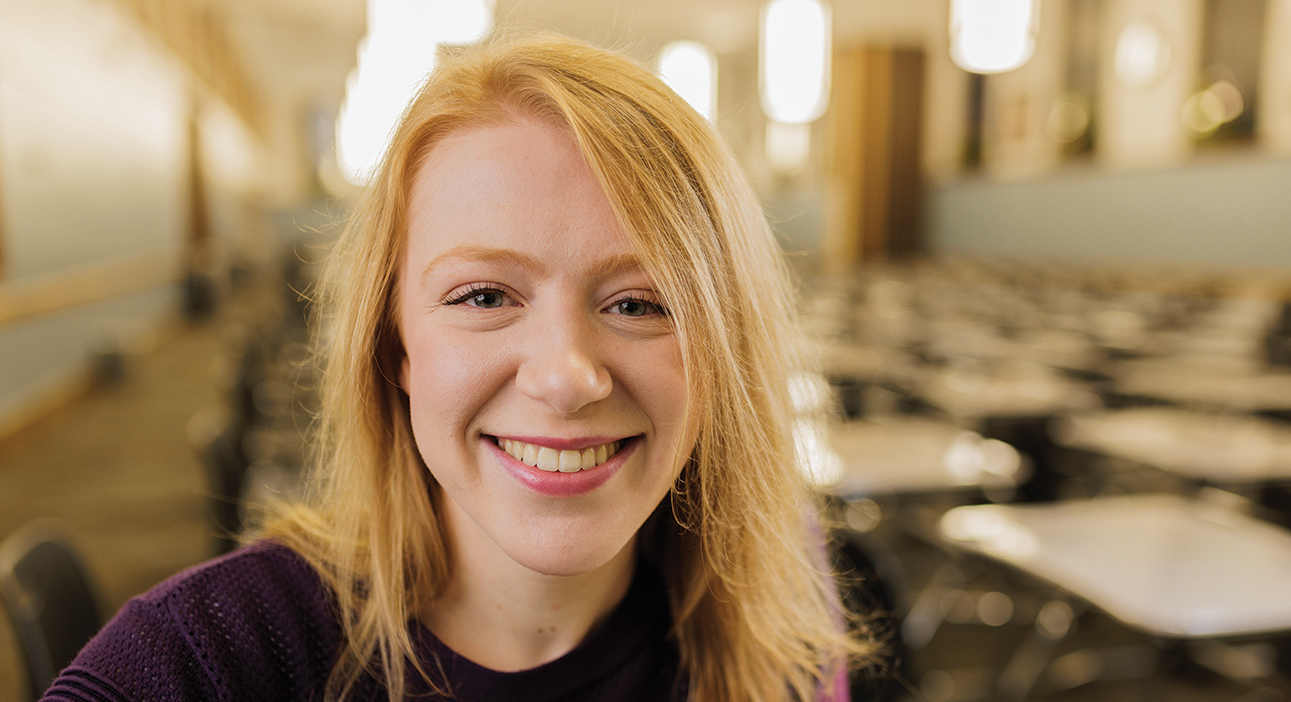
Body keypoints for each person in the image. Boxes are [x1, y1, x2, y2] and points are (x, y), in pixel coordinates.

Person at [44, 33, 873, 702]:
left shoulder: (774, 600)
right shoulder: (208, 657)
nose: (566, 376)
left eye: (640, 303)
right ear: (395, 344)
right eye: (483, 297)